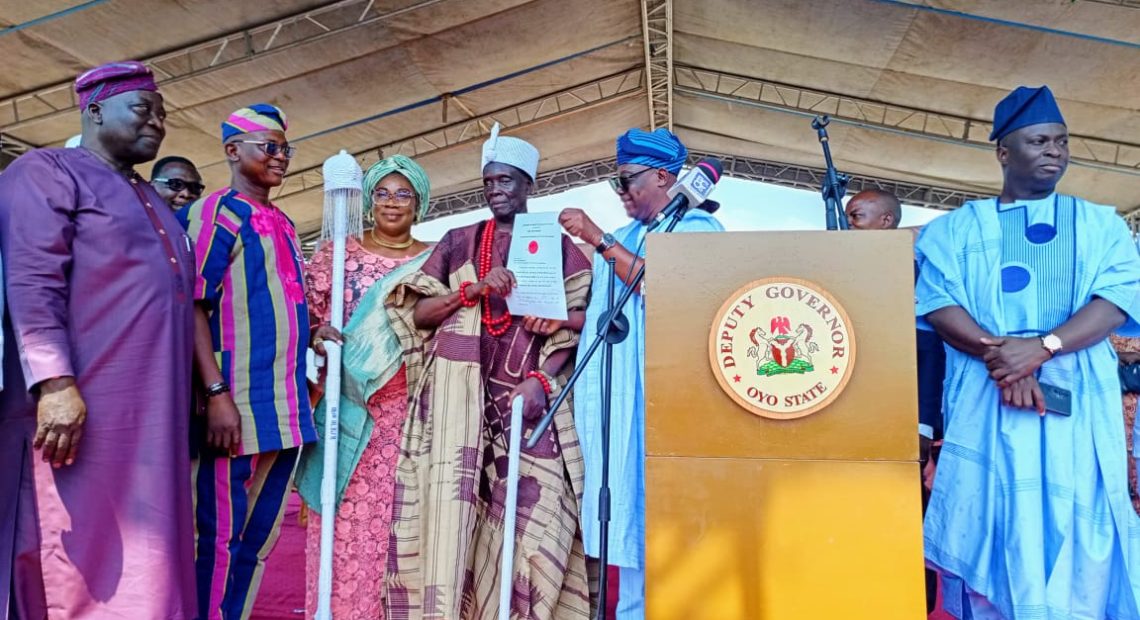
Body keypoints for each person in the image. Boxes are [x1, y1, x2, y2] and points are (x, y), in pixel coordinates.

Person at [916, 85, 1140, 619]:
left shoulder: (1102, 225)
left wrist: (1041, 349)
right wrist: (1007, 360)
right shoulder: (953, 231)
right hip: (987, 401)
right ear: (1004, 151)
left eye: (1062, 141)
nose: (1054, 151)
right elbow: (939, 303)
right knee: (994, 519)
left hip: (1075, 408)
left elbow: (1116, 301)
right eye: (1040, 141)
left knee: (1076, 522)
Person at [0, 61, 196, 619]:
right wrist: (54, 383)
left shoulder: (149, 196)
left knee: (150, 555)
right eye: (143, 109)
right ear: (94, 112)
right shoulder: (46, 171)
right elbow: (32, 280)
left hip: (152, 415)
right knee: (73, 553)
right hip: (77, 409)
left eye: (162, 114)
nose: (157, 122)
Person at [384, 123, 594, 618]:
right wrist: (472, 290)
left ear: (529, 184)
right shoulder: (458, 242)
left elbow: (582, 324)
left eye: (506, 181)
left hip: (530, 405)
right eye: (489, 182)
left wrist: (543, 380)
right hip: (458, 410)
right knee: (452, 526)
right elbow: (417, 315)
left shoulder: (558, 245)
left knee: (539, 527)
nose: (495, 190)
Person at [557, 127, 724, 619]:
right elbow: (611, 315)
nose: (621, 191)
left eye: (627, 180)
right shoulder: (629, 237)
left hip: (668, 405)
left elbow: (663, 285)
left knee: (671, 534)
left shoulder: (698, 229)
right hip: (621, 401)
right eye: (617, 181)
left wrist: (596, 238)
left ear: (662, 177)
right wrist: (559, 317)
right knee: (629, 534)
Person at [179, 104, 316, 620]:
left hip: (284, 407)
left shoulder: (283, 220)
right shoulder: (218, 212)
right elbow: (192, 303)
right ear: (233, 151)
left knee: (257, 537)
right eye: (270, 147)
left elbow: (272, 300)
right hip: (233, 405)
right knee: (215, 536)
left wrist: (315, 330)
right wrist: (215, 394)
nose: (281, 157)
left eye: (285, 148)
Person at [295, 155, 433, 619]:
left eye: (403, 194)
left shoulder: (436, 259)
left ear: (419, 202)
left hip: (412, 415)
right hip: (347, 408)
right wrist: (316, 333)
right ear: (369, 200)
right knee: (345, 525)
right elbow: (305, 317)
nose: (392, 203)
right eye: (382, 193)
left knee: (402, 529)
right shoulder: (337, 254)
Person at [844, 188, 945, 614]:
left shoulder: (915, 275)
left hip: (901, 426)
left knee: (905, 526)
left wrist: (922, 428)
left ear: (886, 222)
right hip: (851, 424)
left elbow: (929, 352)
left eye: (856, 217)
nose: (848, 225)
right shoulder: (843, 270)